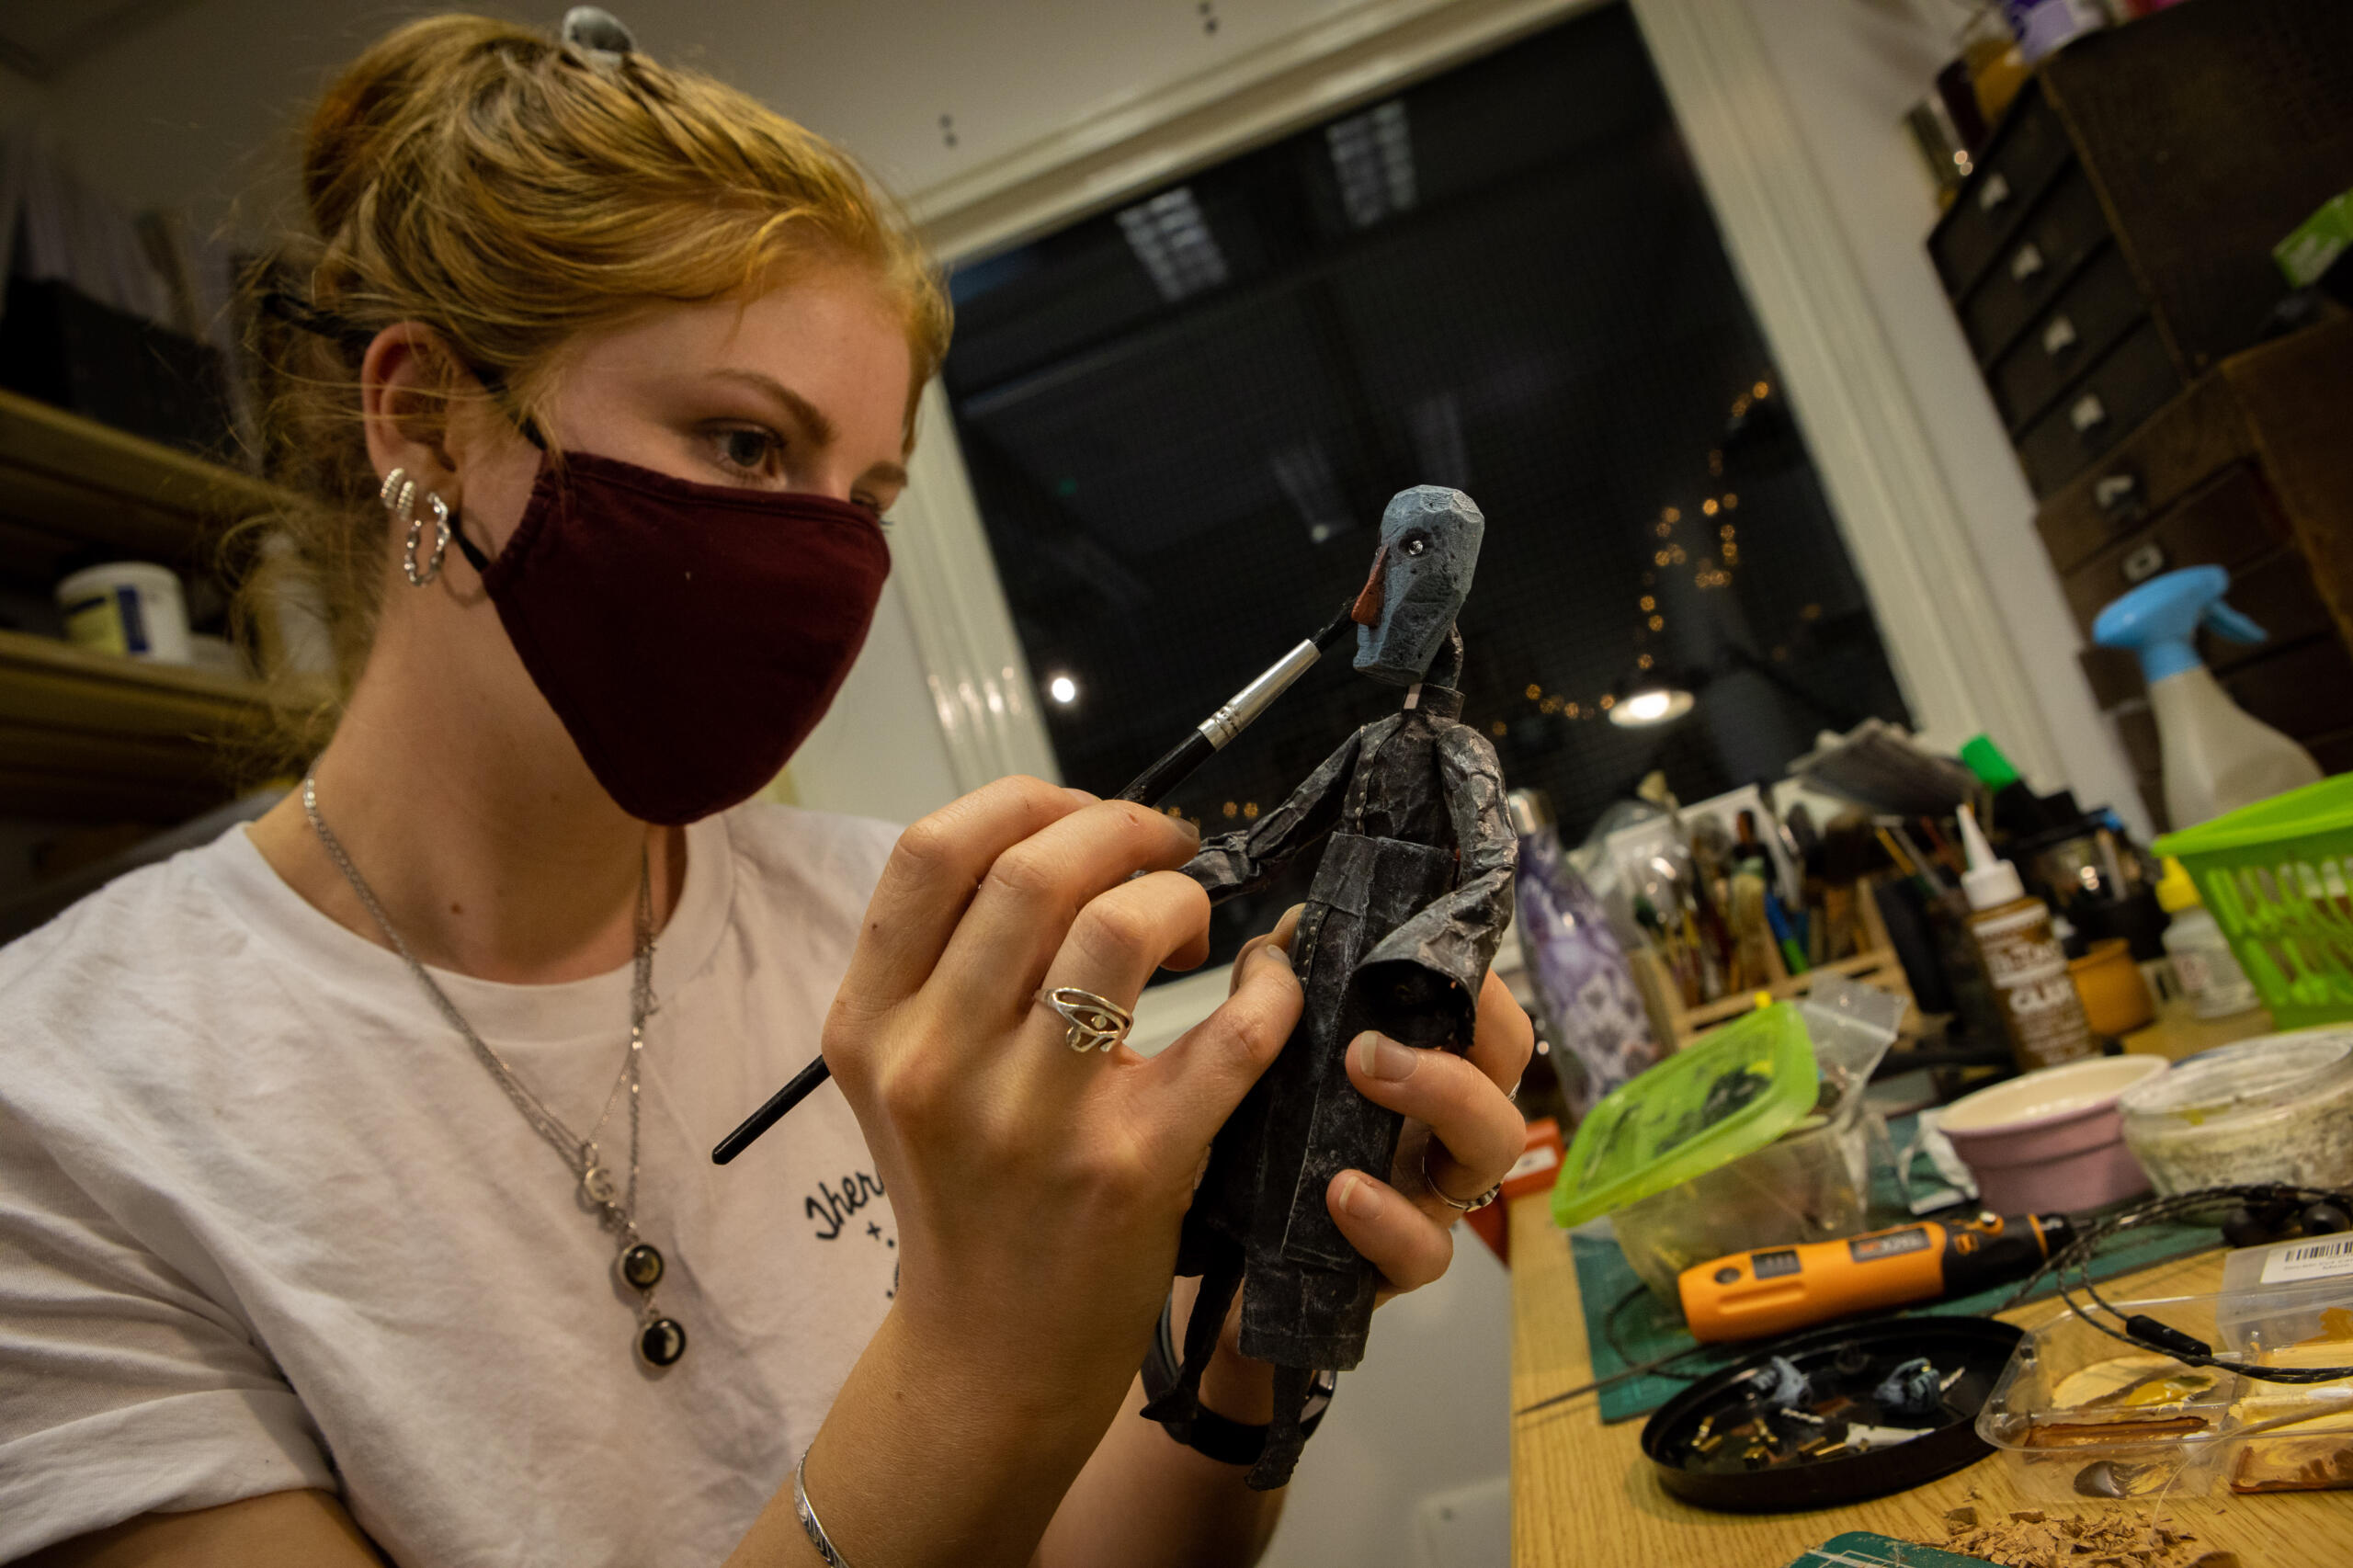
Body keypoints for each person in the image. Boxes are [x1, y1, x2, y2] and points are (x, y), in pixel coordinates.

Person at [0, 14, 1532, 1567]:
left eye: (868, 497)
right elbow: (979, 1416)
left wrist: (1259, 1306)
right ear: (427, 417)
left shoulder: (905, 933)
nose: (826, 563)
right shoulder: (59, 1115)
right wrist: (976, 1357)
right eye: (745, 442)